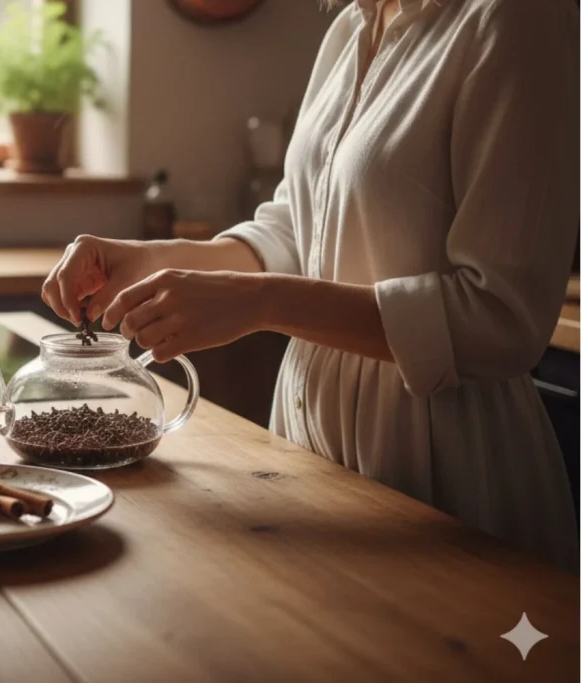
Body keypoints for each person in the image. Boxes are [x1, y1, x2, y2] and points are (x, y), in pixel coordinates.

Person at [41, 0, 580, 571]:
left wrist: (261, 302)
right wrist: (150, 259)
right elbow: (301, 227)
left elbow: (501, 321)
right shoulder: (352, 26)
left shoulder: (518, 18)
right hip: (310, 440)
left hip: (445, 465)